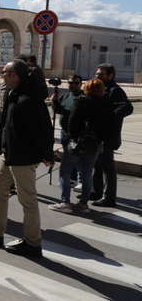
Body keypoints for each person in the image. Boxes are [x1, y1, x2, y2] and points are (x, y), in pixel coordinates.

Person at [0, 59, 53, 257]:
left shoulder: (28, 99)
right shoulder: (14, 94)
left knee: (28, 200)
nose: (2, 76)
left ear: (14, 75)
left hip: (23, 157)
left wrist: (47, 154)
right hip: (10, 153)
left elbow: (41, 130)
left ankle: (33, 243)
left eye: (4, 73)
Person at [48, 78, 118, 215]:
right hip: (95, 144)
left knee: (65, 172)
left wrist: (69, 138)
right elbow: (114, 124)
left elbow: (73, 122)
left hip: (77, 142)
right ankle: (83, 204)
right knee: (87, 174)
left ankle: (65, 202)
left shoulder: (81, 100)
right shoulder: (106, 103)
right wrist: (103, 140)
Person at [90, 63, 134, 207]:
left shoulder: (115, 90)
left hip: (108, 136)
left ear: (110, 76)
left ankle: (109, 198)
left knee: (108, 167)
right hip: (97, 135)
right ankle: (97, 192)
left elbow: (127, 107)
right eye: (97, 74)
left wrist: (109, 117)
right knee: (97, 164)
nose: (97, 76)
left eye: (101, 74)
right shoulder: (100, 89)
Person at [52, 74, 83, 184]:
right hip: (64, 131)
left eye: (76, 83)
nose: (73, 85)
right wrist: (54, 102)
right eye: (71, 83)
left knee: (78, 157)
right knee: (68, 156)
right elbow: (58, 110)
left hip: (77, 133)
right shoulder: (65, 96)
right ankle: (72, 178)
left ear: (81, 84)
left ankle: (82, 180)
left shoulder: (83, 97)